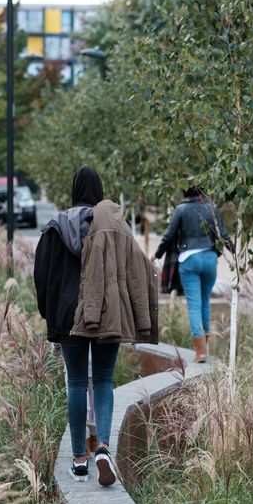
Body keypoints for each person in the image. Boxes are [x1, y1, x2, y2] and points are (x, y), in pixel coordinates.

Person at [34, 166, 158, 486]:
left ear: (74, 190)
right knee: (103, 380)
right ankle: (103, 445)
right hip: (106, 315)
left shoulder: (55, 228)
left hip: (68, 316)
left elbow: (42, 278)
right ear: (100, 191)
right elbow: (134, 268)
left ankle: (78, 460)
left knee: (76, 383)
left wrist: (51, 319)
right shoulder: (114, 227)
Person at [152, 186, 232, 363]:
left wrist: (156, 255)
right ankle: (206, 343)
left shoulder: (181, 209)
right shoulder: (212, 209)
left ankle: (201, 352)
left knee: (194, 305)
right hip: (210, 259)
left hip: (189, 260)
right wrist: (234, 252)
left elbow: (168, 236)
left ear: (186, 194)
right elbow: (224, 235)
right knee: (205, 302)